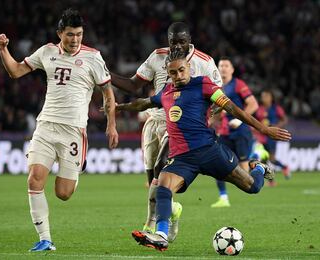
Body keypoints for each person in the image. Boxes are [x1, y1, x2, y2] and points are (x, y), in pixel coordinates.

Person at [114, 51, 291, 251]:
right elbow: (143, 103)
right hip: (182, 158)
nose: (179, 75)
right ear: (168, 73)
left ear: (189, 67)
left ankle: (258, 167)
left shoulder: (204, 85)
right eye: (173, 72)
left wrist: (264, 129)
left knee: (252, 187)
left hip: (209, 151)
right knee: (162, 186)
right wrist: (119, 107)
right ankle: (161, 235)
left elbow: (232, 108)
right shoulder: (166, 93)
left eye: (182, 70)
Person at [0, 9, 118, 251]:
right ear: (60, 33)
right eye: (70, 35)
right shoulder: (47, 52)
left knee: (63, 193)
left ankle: (77, 165)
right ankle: (45, 239)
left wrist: (111, 124)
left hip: (73, 131)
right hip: (46, 125)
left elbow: (107, 93)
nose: (75, 40)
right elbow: (16, 71)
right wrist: (2, 50)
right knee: (35, 178)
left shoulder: (93, 58)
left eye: (79, 35)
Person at [110, 22, 222, 242]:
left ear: (190, 39)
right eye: (173, 41)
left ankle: (152, 226)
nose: (177, 45)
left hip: (180, 125)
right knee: (152, 177)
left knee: (162, 172)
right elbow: (134, 85)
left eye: (182, 41)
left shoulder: (205, 62)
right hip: (154, 121)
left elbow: (218, 95)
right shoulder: (157, 56)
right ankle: (172, 211)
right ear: (167, 40)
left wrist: (204, 113)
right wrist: (104, 75)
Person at [210, 57, 259, 208]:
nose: (223, 68)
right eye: (221, 65)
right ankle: (223, 198)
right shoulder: (215, 87)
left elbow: (253, 104)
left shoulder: (238, 84)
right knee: (217, 163)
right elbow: (216, 111)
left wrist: (240, 120)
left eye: (226, 65)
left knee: (244, 172)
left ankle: (257, 164)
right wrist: (210, 122)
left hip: (241, 131)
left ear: (232, 69)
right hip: (225, 132)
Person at [255, 89, 290, 185]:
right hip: (262, 137)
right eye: (262, 96)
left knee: (271, 159)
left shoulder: (276, 108)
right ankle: (271, 181)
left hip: (272, 137)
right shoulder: (259, 108)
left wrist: (277, 126)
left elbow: (285, 119)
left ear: (271, 98)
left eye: (266, 96)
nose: (263, 98)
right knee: (263, 159)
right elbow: (256, 121)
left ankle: (284, 167)